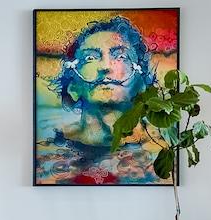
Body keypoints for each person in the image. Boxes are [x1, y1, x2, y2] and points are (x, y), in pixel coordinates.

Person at [40, 16, 157, 183]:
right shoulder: (49, 153)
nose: (105, 67)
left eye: (121, 56)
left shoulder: (160, 152)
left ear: (141, 85)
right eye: (90, 58)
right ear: (73, 86)